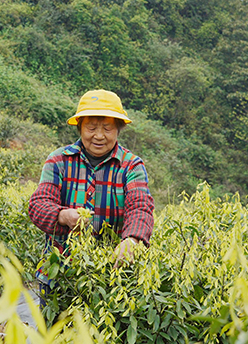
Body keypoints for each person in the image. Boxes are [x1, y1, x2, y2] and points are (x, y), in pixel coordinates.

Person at [28, 89, 154, 298]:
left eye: (107, 128)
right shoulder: (59, 160)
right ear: (80, 127)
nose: (99, 136)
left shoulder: (131, 166)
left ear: (118, 130)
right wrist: (62, 215)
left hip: (113, 278)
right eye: (91, 127)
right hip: (59, 275)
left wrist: (132, 240)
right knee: (53, 331)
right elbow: (39, 203)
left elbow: (140, 208)